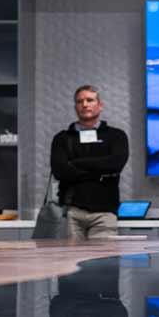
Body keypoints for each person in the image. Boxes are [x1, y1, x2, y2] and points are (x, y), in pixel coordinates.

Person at [50, 85, 129, 239]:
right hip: (71, 212)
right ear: (75, 107)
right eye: (80, 101)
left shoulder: (116, 136)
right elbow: (60, 171)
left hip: (104, 213)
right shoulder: (62, 138)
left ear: (100, 105)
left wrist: (76, 163)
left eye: (90, 100)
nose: (85, 104)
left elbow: (115, 164)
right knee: (69, 262)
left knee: (103, 262)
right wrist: (99, 172)